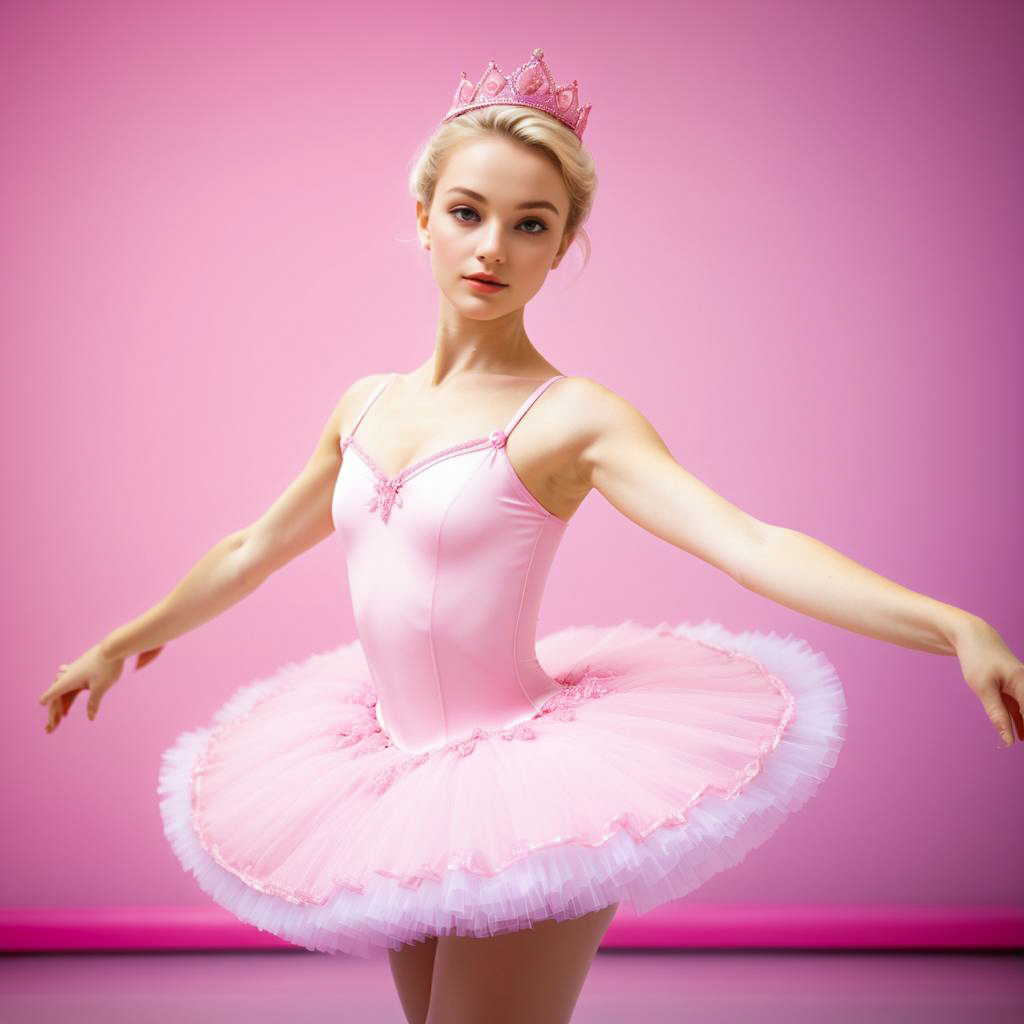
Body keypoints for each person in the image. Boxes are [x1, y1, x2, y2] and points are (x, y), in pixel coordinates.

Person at [38, 47, 1023, 1024]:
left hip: (526, 795)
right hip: (396, 784)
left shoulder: (572, 418)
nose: (492, 248)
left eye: (530, 225)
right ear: (421, 218)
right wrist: (124, 640)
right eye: (468, 212)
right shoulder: (363, 405)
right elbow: (253, 547)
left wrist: (952, 626)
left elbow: (748, 542)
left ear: (562, 248)